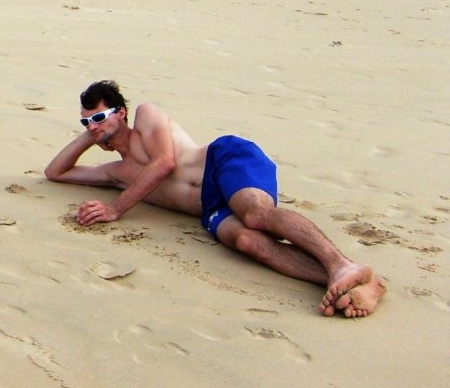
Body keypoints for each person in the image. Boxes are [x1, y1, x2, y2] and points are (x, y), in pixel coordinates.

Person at [44, 80, 385, 318]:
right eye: (86, 121)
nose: (92, 125)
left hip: (223, 161)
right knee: (249, 241)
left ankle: (343, 265)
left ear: (121, 113)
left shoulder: (147, 118)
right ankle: (358, 284)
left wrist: (116, 208)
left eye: (99, 117)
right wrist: (91, 134)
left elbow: (165, 163)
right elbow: (55, 172)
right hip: (210, 207)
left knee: (255, 214)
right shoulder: (116, 173)